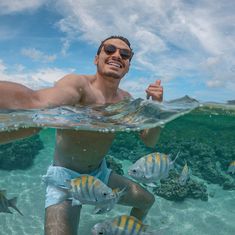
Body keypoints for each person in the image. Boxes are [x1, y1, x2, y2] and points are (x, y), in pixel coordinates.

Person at [0, 35, 163, 235]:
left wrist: (156, 108)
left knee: (147, 201)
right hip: (65, 180)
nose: (117, 55)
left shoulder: (126, 99)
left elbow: (149, 139)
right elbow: (35, 102)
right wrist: (33, 103)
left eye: (125, 54)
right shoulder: (78, 85)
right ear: (96, 58)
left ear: (128, 65)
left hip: (100, 175)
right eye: (109, 49)